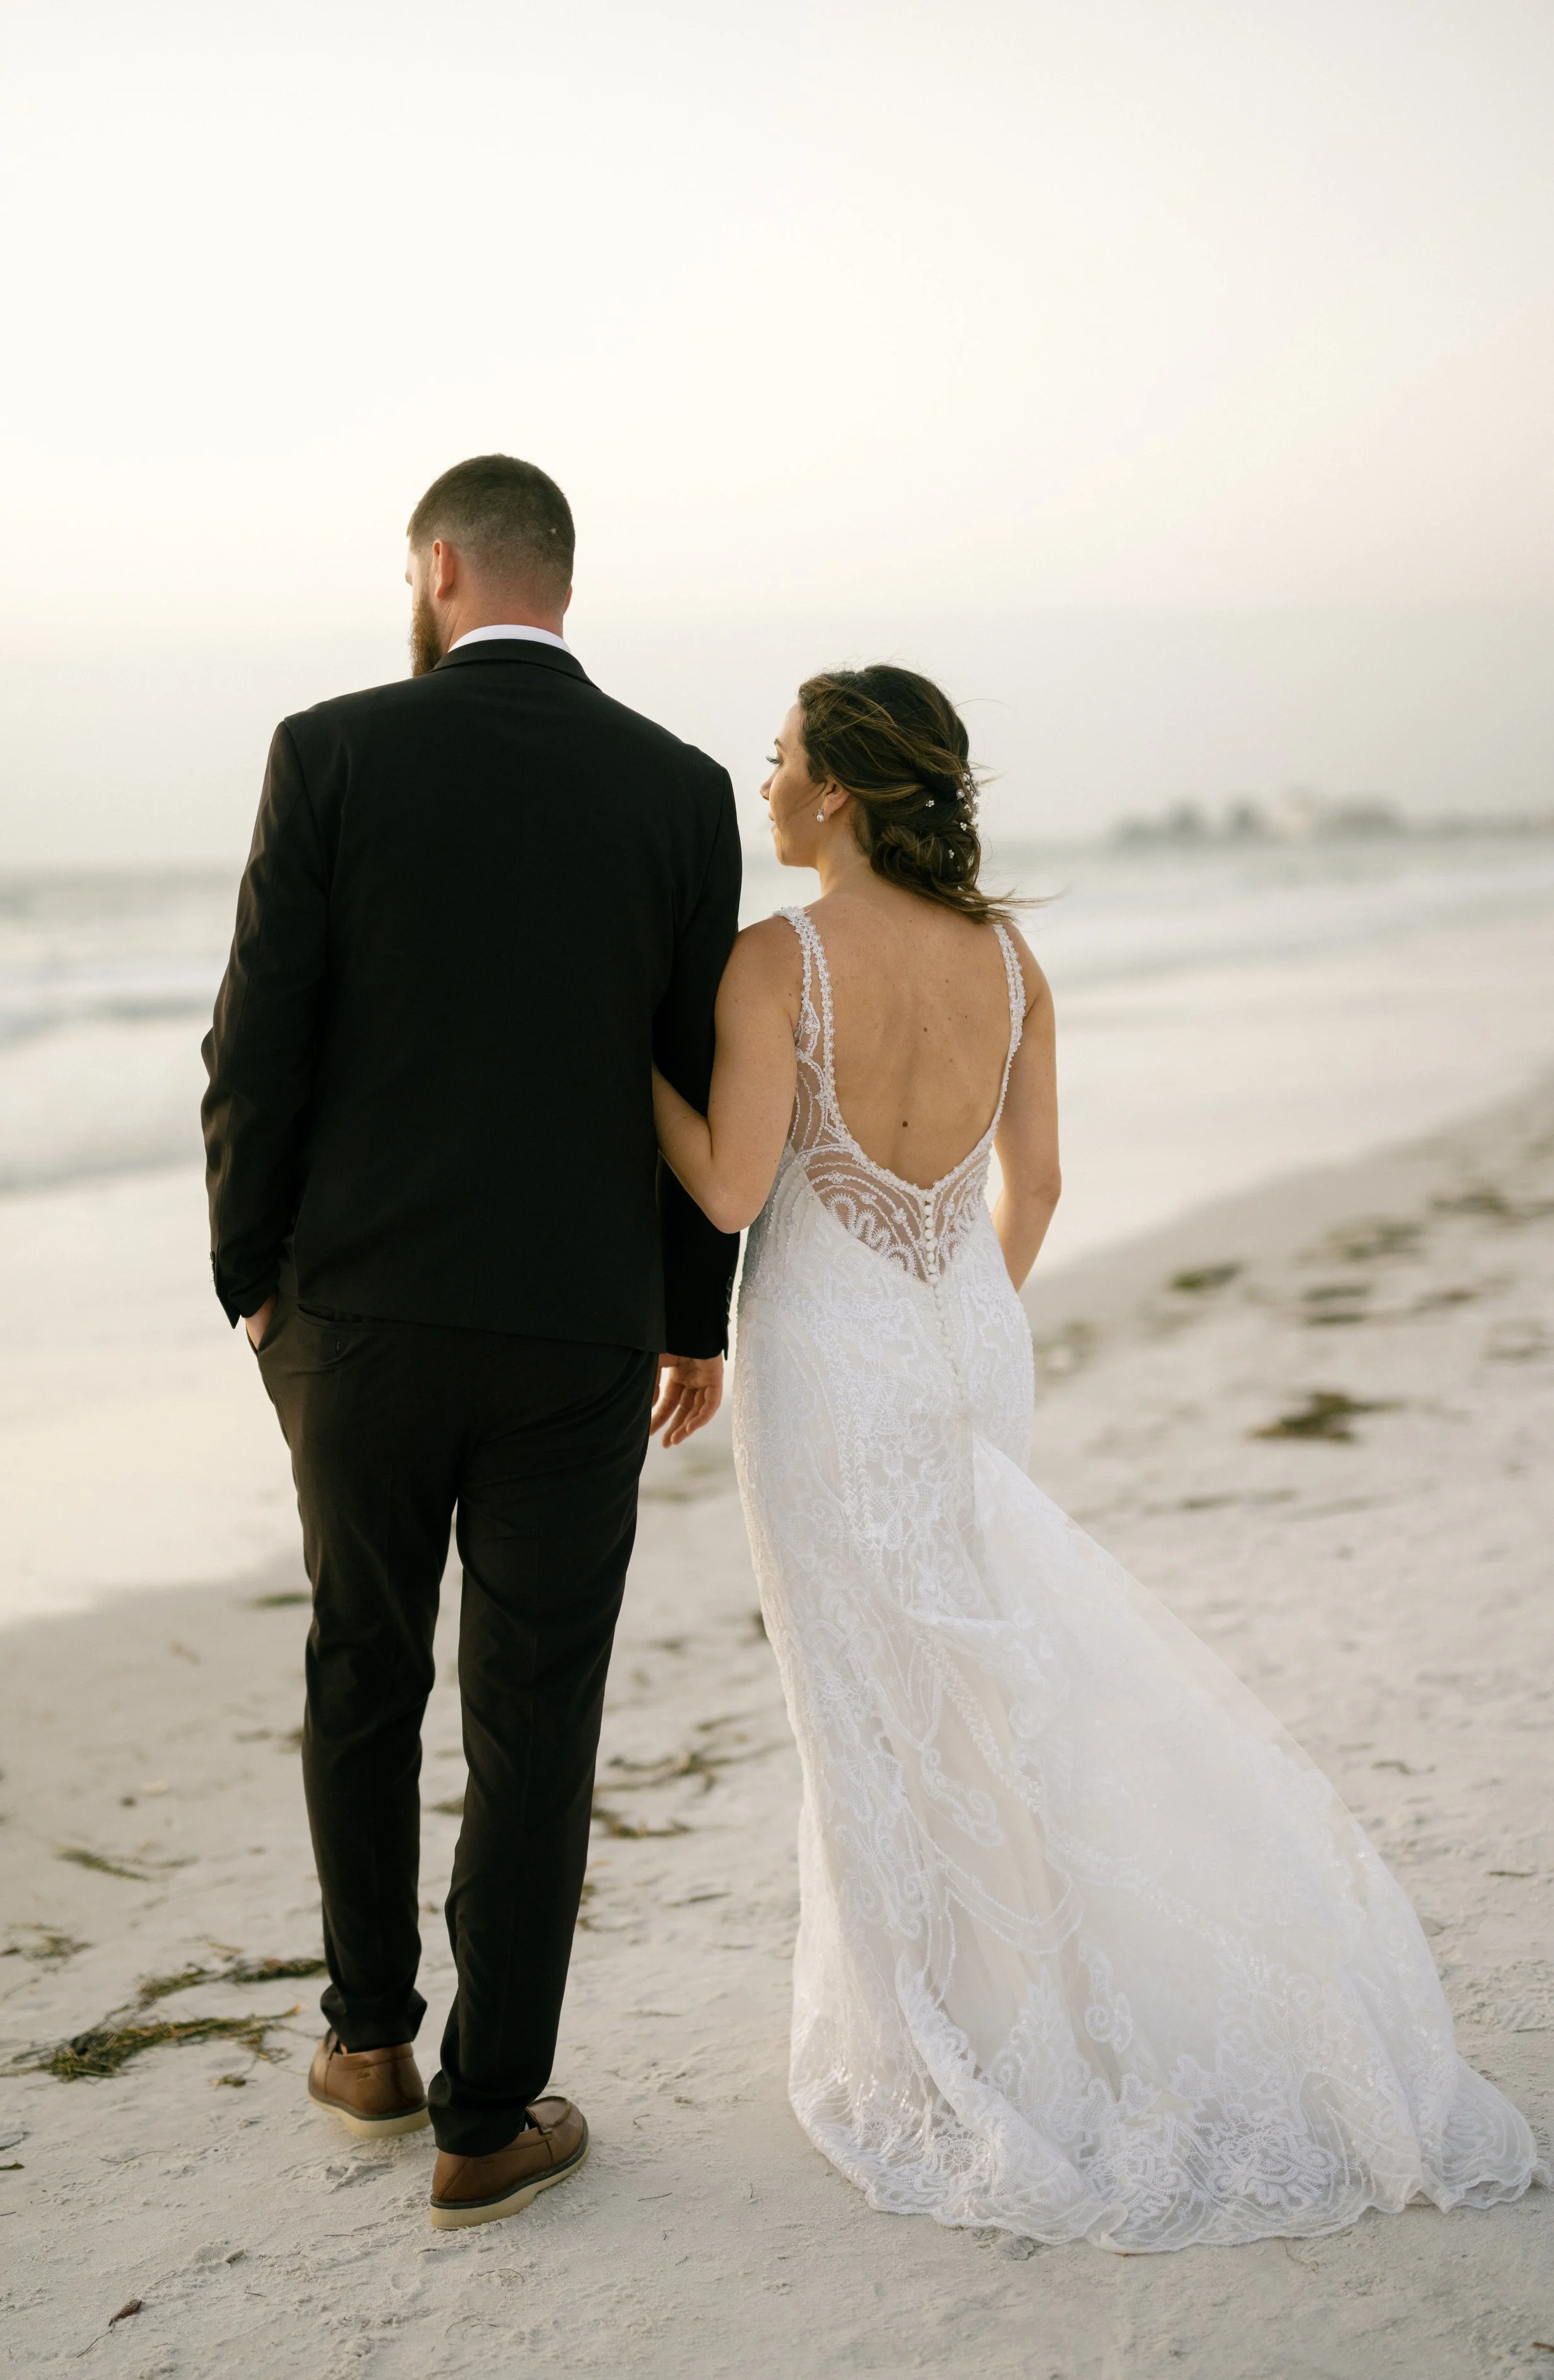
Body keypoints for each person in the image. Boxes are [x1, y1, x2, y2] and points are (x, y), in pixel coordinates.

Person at [651, 663, 1544, 2249]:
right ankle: (1015, 1990)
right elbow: (1037, 1189)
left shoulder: (771, 960)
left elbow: (727, 1193)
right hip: (963, 1336)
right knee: (979, 1680)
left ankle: (928, 2030)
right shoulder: (1008, 957)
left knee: (863, 1687)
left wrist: (613, 1062)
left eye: (779, 760)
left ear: (839, 790)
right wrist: (958, 1314)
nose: (766, 785)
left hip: (831, 1354)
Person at [202, 454, 739, 2228]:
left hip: (353, 1310)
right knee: (534, 1711)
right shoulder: (676, 786)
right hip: (577, 1324)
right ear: (557, 582)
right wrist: (687, 1322)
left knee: (362, 1664)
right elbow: (688, 1074)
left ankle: (368, 2041)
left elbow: (256, 1044)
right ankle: (487, 2118)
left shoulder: (332, 747)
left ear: (437, 567)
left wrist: (252, 1283)